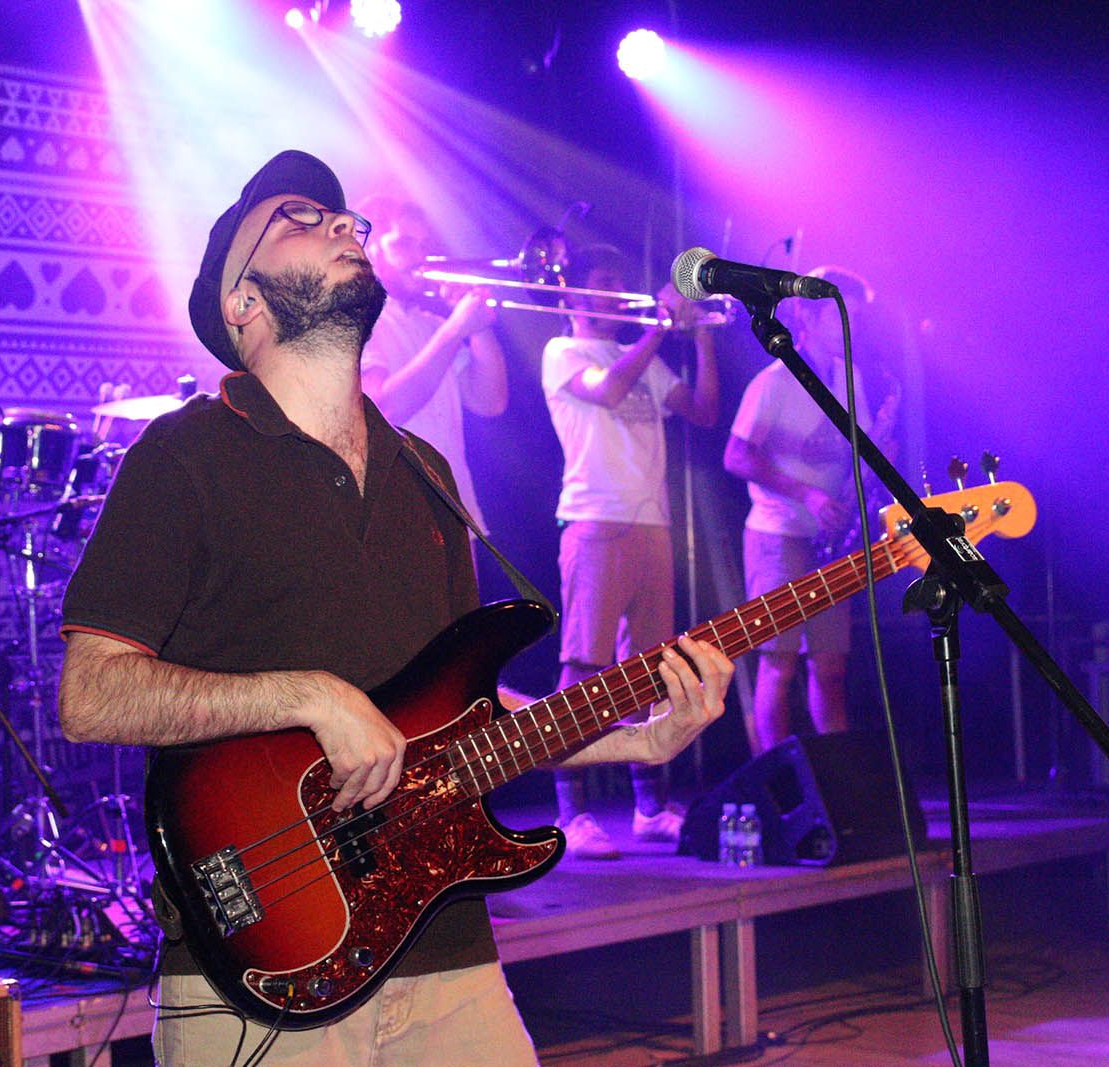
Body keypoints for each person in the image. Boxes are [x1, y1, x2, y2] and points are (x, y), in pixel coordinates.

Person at [55, 151, 734, 1066]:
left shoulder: (428, 473)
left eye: (345, 218)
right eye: (298, 218)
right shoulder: (182, 457)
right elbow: (91, 695)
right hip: (263, 968)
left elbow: (465, 720)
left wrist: (636, 740)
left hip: (448, 955)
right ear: (242, 302)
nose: (343, 223)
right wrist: (312, 697)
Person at [541, 244, 721, 860]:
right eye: (603, 282)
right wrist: (660, 328)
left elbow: (703, 412)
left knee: (648, 671)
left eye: (621, 282)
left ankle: (650, 808)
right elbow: (610, 391)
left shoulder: (642, 355)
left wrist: (701, 337)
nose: (617, 293)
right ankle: (572, 814)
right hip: (595, 520)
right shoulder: (563, 351)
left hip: (652, 523)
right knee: (583, 668)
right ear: (573, 295)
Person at [722, 266, 897, 756]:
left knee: (831, 665)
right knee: (779, 664)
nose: (849, 328)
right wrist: (809, 495)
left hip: (829, 539)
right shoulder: (775, 381)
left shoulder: (850, 377)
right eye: (839, 317)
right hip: (778, 535)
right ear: (804, 315)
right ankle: (777, 778)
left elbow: (856, 452)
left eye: (854, 318)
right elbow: (735, 456)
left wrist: (880, 453)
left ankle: (836, 780)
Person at [357, 195, 508, 530]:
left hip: (456, 512)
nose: (419, 256)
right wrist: (456, 330)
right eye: (404, 244)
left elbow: (490, 402)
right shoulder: (358, 320)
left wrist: (479, 327)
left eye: (424, 245)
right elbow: (384, 410)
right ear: (370, 251)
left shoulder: (433, 325)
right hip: (399, 519)